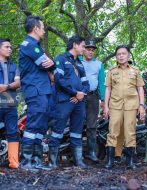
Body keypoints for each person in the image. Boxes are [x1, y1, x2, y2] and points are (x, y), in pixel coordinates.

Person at [19, 15, 55, 171]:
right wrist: (50, 64)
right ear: (35, 28)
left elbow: (49, 63)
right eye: (43, 28)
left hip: (43, 90)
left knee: (41, 127)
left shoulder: (36, 45)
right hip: (35, 90)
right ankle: (26, 162)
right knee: (33, 125)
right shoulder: (28, 44)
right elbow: (45, 64)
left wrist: (51, 63)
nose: (44, 31)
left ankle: (36, 161)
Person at [48, 36, 90, 169]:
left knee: (77, 131)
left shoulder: (80, 63)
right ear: (75, 45)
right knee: (58, 130)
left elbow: (86, 83)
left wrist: (81, 94)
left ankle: (78, 161)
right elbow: (59, 80)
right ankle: (52, 162)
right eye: (83, 46)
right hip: (65, 101)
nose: (84, 49)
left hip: (79, 102)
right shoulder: (60, 59)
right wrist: (74, 93)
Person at [104, 45, 145, 169]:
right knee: (112, 131)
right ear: (116, 57)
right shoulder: (111, 71)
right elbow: (108, 89)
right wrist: (105, 106)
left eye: (123, 54)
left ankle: (130, 161)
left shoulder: (135, 70)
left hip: (131, 105)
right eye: (118, 54)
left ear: (128, 55)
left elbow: (140, 88)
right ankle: (110, 161)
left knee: (130, 132)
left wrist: (142, 105)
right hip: (115, 105)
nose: (121, 56)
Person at [81, 38, 105, 162]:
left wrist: (103, 99)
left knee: (92, 126)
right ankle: (77, 154)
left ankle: (91, 152)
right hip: (79, 96)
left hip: (93, 97)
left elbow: (101, 82)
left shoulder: (99, 64)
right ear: (83, 49)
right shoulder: (77, 61)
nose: (90, 52)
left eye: (93, 50)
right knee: (77, 124)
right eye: (88, 49)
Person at [0, 38, 21, 169]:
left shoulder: (14, 66)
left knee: (12, 132)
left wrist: (6, 87)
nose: (10, 49)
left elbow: (18, 83)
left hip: (10, 102)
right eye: (7, 47)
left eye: (10, 47)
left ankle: (13, 162)